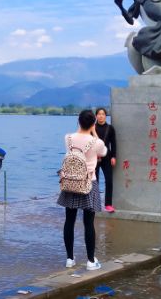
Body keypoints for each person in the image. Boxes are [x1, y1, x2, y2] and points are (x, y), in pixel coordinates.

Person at [57, 109, 107, 271]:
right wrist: (94, 132)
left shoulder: (68, 138)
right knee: (88, 223)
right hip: (88, 184)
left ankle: (70, 259)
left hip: (70, 183)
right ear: (93, 123)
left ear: (78, 121)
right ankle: (91, 261)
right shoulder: (96, 142)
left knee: (69, 221)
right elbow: (104, 152)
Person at [93, 107, 117, 213]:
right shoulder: (92, 128)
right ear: (96, 116)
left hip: (107, 157)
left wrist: (113, 156)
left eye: (103, 114)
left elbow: (113, 143)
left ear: (105, 116)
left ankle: (108, 204)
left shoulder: (110, 128)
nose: (101, 116)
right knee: (95, 181)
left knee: (109, 181)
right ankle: (95, 204)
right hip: (94, 157)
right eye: (99, 114)